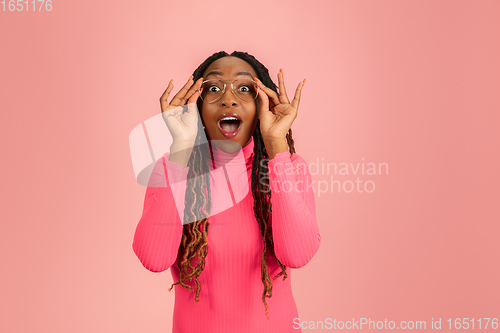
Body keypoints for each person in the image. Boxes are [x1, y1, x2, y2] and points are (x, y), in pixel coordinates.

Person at [132, 51, 321, 332]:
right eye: (213, 89)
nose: (228, 99)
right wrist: (181, 148)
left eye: (244, 89)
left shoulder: (289, 168)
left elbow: (297, 254)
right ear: (196, 107)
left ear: (262, 106)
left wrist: (276, 145)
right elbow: (154, 259)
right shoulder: (171, 169)